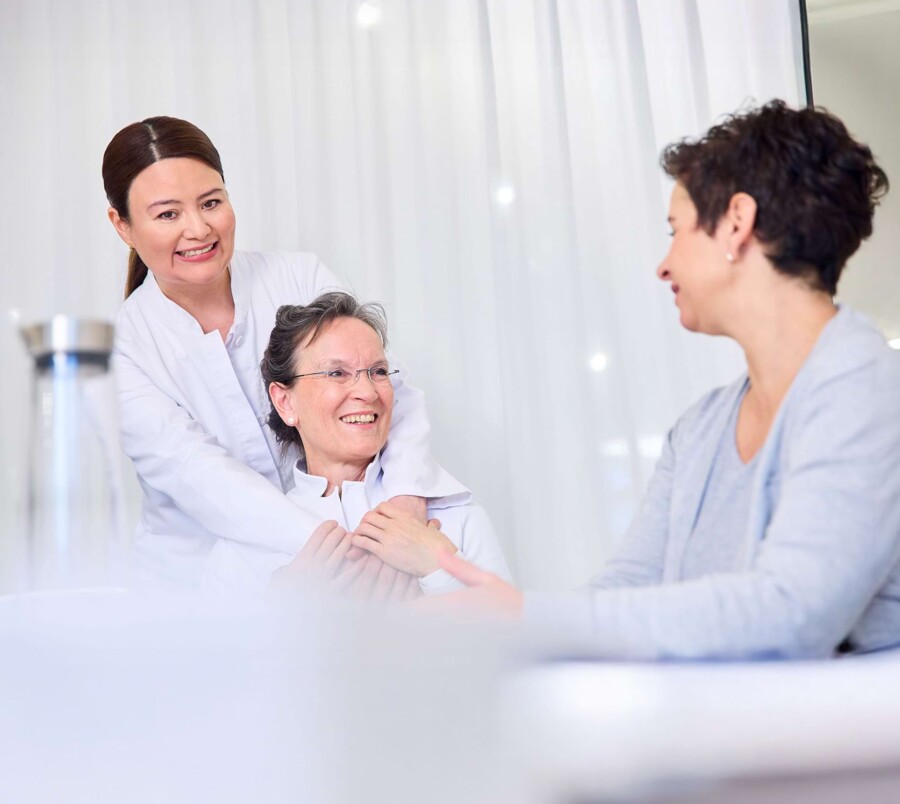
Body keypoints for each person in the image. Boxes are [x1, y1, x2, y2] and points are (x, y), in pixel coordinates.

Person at [436, 100, 900, 660]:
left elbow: (794, 611)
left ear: (736, 223)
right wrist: (515, 633)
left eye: (676, 230)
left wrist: (525, 616)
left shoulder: (867, 390)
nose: (663, 264)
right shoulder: (700, 430)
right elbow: (624, 593)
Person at [104, 116, 467, 588]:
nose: (198, 229)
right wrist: (352, 550)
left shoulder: (298, 278)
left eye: (211, 202)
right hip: (199, 588)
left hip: (349, 548)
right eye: (167, 214)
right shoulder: (124, 349)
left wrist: (402, 506)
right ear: (123, 225)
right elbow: (201, 476)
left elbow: (384, 387)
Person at [203, 292, 510, 594]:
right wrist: (283, 613)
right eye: (336, 373)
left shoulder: (457, 518)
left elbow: (514, 641)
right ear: (285, 402)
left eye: (378, 371)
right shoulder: (241, 552)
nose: (368, 391)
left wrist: (442, 571)